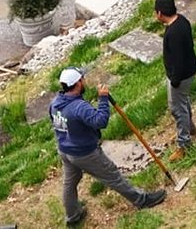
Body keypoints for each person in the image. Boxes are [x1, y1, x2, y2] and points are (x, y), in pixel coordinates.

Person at [50, 67, 166, 225]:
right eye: (82, 79)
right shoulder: (79, 107)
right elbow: (100, 121)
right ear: (77, 83)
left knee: (69, 183)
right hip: (84, 153)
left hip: (65, 149)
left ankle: (73, 216)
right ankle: (142, 200)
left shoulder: (56, 102)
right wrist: (103, 99)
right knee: (113, 176)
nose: (84, 81)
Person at [156, 0, 196, 151]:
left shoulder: (173, 33)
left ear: (160, 13)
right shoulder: (182, 21)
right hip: (190, 71)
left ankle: (184, 143)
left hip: (180, 77)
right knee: (184, 101)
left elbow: (178, 59)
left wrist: (174, 80)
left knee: (177, 109)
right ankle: (190, 128)